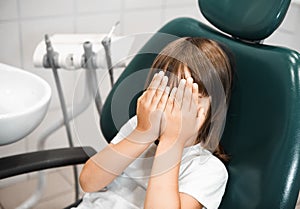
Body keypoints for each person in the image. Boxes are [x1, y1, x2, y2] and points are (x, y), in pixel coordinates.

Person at [76, 37, 234, 209]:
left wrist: (172, 142)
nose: (174, 105)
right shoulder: (140, 125)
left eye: (188, 98)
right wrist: (142, 133)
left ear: (214, 105)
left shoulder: (207, 169)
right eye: (167, 92)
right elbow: (88, 182)